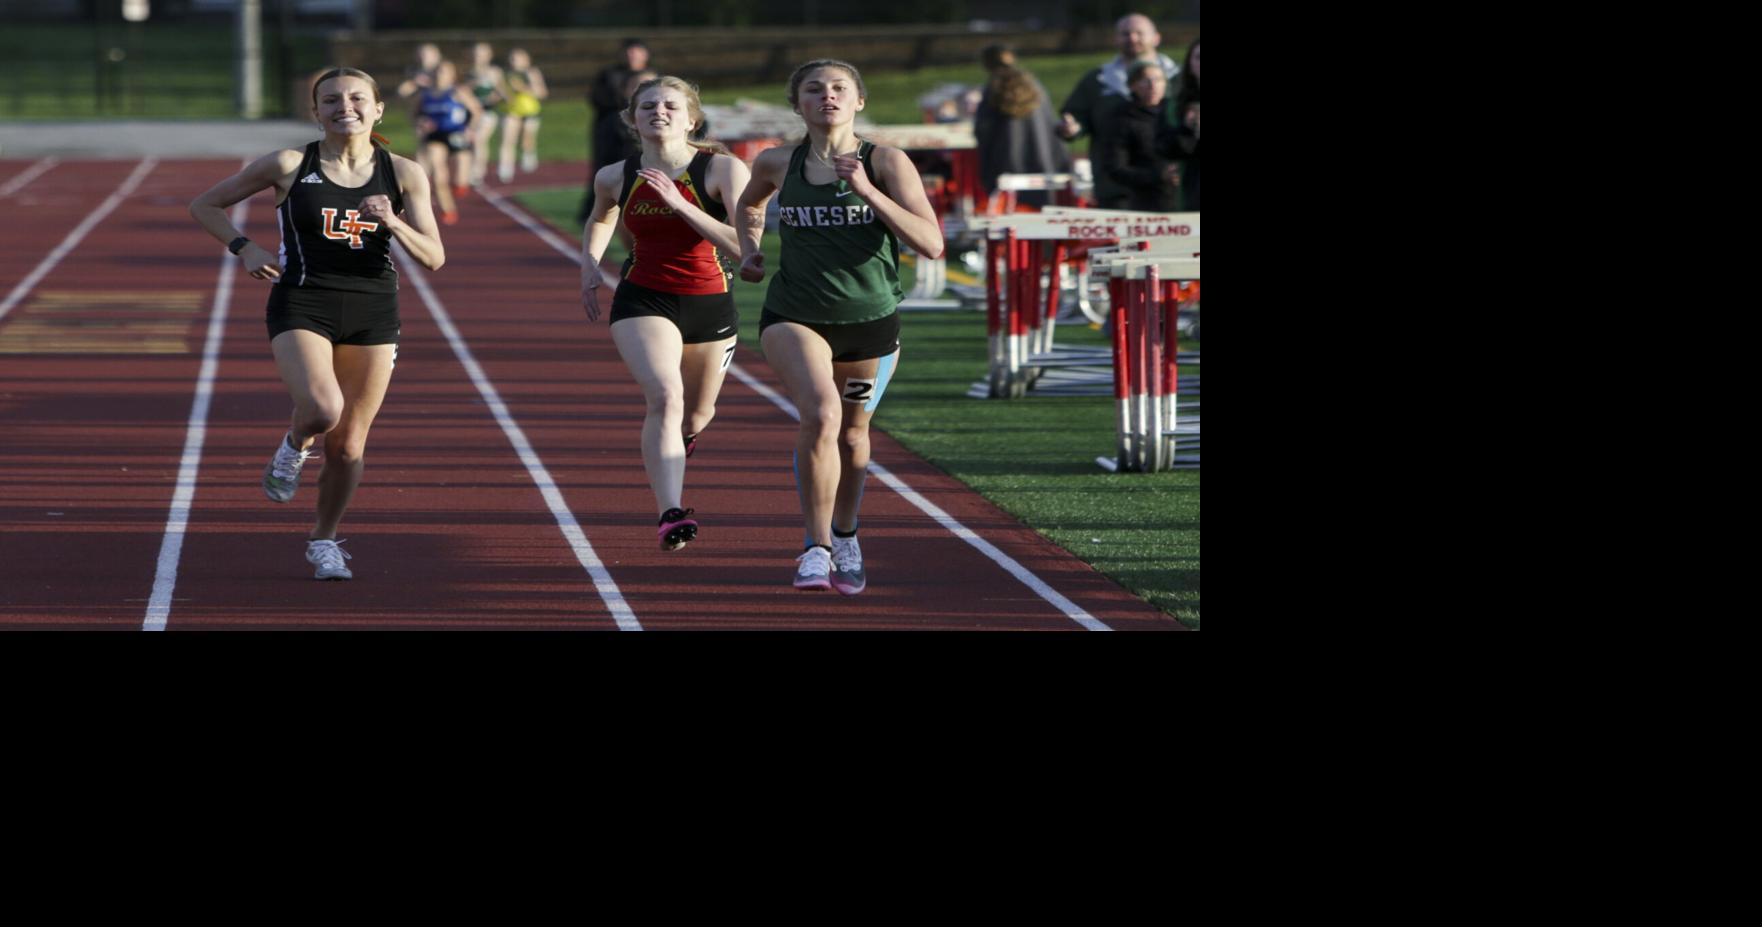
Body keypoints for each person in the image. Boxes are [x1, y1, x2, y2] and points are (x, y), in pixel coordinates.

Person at [188, 68, 446, 581]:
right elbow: (205, 204)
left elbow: (435, 257)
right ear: (316, 112)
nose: (343, 106)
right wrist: (245, 247)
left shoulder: (405, 173)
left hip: (374, 310)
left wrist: (393, 222)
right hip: (303, 302)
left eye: (356, 98)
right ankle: (291, 448)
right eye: (330, 100)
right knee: (321, 409)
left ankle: (324, 539)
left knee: (349, 445)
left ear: (377, 110)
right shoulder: (290, 163)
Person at [735, 59, 944, 595]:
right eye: (813, 89)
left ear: (859, 101)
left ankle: (846, 534)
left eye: (838, 88)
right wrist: (752, 251)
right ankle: (815, 546)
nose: (826, 96)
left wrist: (869, 192)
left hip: (870, 321)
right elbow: (748, 205)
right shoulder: (777, 161)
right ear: (798, 103)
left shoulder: (887, 161)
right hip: (795, 315)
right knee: (822, 415)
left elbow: (931, 243)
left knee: (853, 435)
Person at [580, 76, 751, 552]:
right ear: (633, 120)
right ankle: (670, 513)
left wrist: (679, 202)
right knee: (665, 396)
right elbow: (600, 216)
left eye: (671, 106)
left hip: (710, 301)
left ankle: (684, 438)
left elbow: (743, 246)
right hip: (643, 298)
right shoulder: (615, 175)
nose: (660, 112)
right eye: (648, 106)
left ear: (692, 118)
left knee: (696, 413)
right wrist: (590, 264)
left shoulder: (721, 170)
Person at [1056, 13, 1181, 207]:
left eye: (1139, 33)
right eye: (1125, 33)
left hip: (1170, 188)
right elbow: (1075, 118)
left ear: (1156, 37)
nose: (1132, 38)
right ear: (1116, 39)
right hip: (1115, 187)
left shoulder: (1179, 78)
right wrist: (1071, 128)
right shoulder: (1098, 80)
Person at [972, 43, 1072, 209]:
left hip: (1006, 166)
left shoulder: (993, 88)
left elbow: (983, 130)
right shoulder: (1034, 85)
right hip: (1043, 161)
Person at [581, 39, 651, 225]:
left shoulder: (654, 75)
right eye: (629, 53)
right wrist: (623, 105)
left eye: (637, 53)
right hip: (609, 127)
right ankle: (593, 211)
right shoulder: (609, 74)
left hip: (642, 128)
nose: (632, 57)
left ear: (645, 55)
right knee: (603, 168)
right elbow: (597, 98)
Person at [1096, 62, 1180, 212]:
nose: (1152, 85)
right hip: (1143, 205)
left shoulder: (1177, 113)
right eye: (1145, 80)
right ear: (1132, 85)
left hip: (1183, 199)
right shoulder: (1121, 119)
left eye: (1158, 79)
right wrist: (1158, 176)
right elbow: (1116, 168)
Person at [415, 60, 482, 225]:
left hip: (457, 134)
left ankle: (458, 186)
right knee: (438, 173)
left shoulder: (457, 91)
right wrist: (420, 123)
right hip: (435, 135)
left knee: (460, 182)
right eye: (437, 71)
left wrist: (470, 129)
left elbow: (476, 110)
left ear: (452, 75)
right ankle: (448, 209)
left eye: (444, 71)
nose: (440, 75)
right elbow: (415, 114)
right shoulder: (425, 95)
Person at [1160, 36, 1200, 212]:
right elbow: (1165, 148)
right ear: (1190, 65)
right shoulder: (1176, 105)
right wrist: (1188, 128)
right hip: (1192, 196)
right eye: (1199, 58)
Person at [498, 48, 548, 183]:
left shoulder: (532, 73)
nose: (514, 62)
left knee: (527, 138)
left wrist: (522, 88)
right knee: (508, 139)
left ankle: (528, 153)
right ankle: (505, 168)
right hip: (511, 111)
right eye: (512, 58)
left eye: (518, 58)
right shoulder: (505, 74)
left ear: (527, 60)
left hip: (530, 111)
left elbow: (542, 93)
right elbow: (500, 92)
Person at [465, 42, 509, 188]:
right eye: (476, 54)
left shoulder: (494, 72)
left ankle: (477, 173)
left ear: (489, 56)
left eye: (482, 54)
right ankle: (470, 171)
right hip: (470, 113)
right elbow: (461, 92)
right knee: (470, 143)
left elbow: (503, 93)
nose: (478, 57)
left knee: (479, 140)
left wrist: (491, 98)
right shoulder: (467, 72)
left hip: (487, 113)